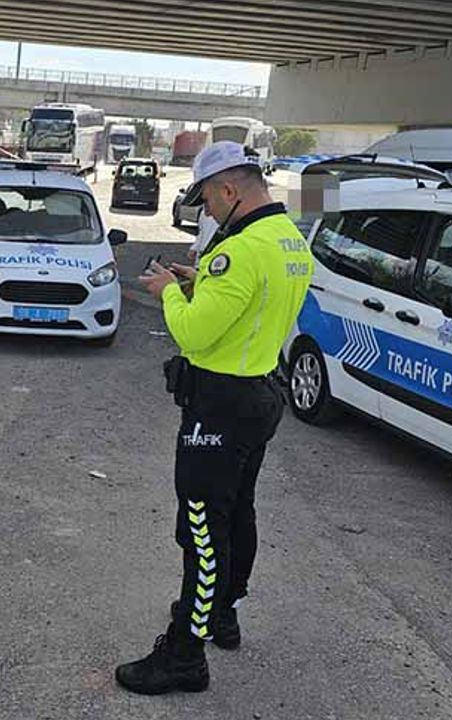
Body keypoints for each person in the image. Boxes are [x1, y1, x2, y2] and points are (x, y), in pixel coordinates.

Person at [115, 141, 314, 696]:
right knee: (236, 513)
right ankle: (223, 613)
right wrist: (200, 282)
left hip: (220, 406)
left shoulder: (241, 250)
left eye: (206, 200)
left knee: (200, 529)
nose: (204, 211)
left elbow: (195, 333)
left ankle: (184, 654)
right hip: (260, 393)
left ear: (229, 190)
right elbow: (256, 306)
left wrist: (170, 292)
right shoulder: (288, 240)